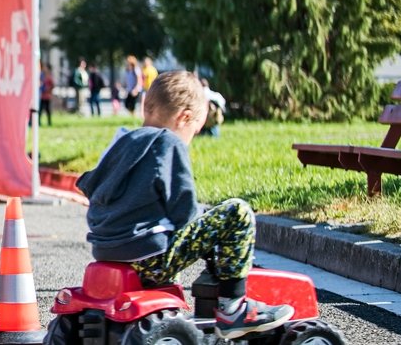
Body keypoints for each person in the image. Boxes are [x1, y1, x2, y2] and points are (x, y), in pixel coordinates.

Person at [76, 71, 293, 340]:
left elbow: (90, 185)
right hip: (151, 259)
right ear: (185, 118)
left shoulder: (120, 141)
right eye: (195, 130)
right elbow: (185, 213)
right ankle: (233, 309)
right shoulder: (168, 143)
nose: (191, 137)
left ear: (147, 105)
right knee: (237, 212)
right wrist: (207, 221)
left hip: (106, 250)